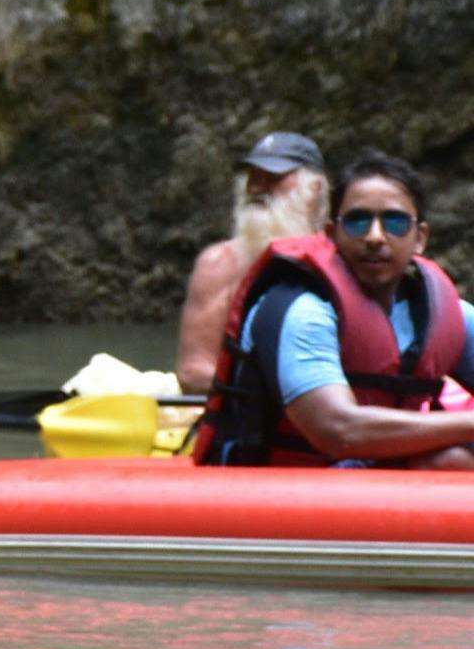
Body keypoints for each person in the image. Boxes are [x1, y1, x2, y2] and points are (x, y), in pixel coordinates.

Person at [194, 151, 474, 469]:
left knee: (448, 459)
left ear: (419, 238)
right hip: (286, 492)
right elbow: (337, 430)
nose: (374, 237)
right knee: (447, 461)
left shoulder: (448, 314)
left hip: (375, 482)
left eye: (394, 222)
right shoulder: (302, 309)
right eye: (357, 221)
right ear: (331, 234)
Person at [176, 132, 329, 395]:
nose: (257, 187)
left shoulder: (345, 260)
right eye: (253, 177)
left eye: (273, 177)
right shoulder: (219, 263)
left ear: (314, 189)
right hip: (248, 414)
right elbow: (194, 372)